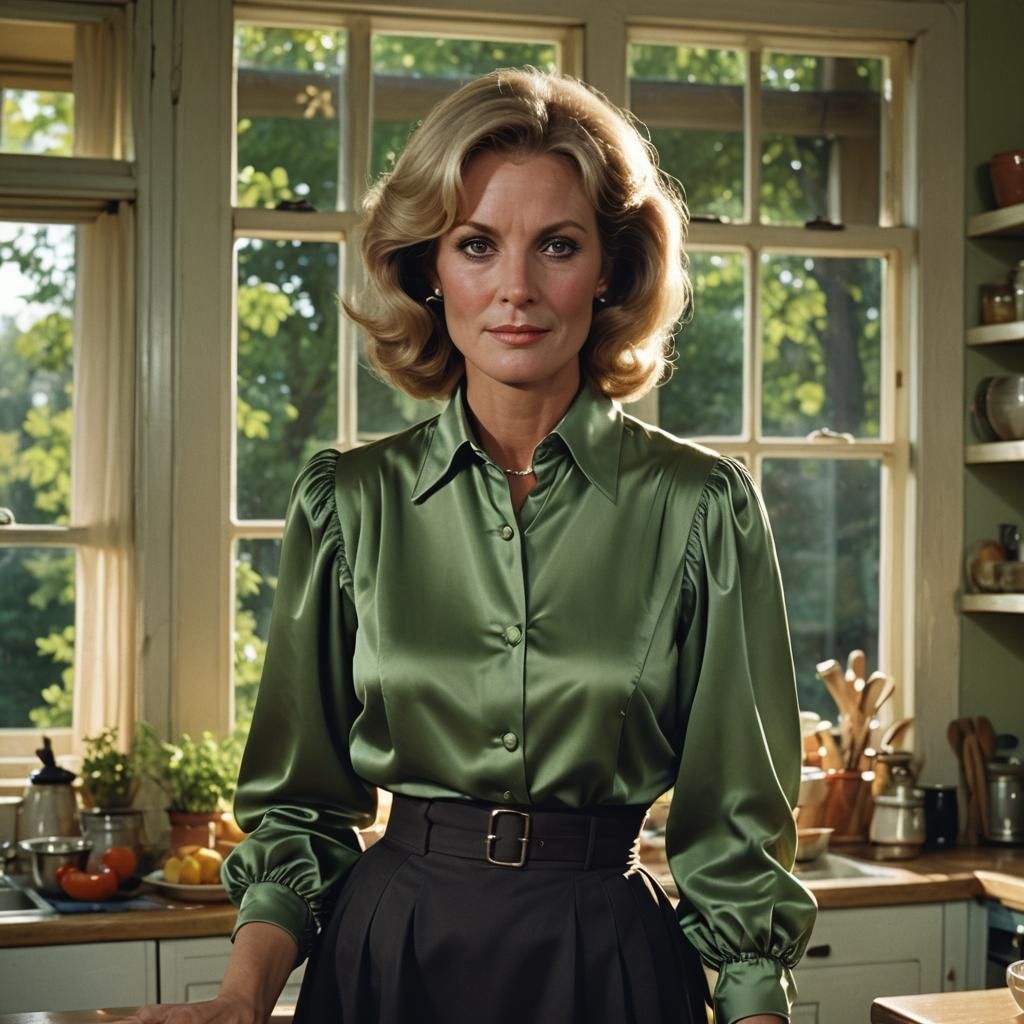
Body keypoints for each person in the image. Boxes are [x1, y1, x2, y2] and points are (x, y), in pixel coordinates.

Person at [131, 67, 817, 1024]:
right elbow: (303, 808)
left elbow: (738, 832)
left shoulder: (702, 509)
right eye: (478, 245)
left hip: (608, 963)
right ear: (430, 267)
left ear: (610, 268)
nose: (517, 290)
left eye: (558, 246)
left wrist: (755, 1010)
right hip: (390, 958)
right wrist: (244, 997)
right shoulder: (347, 503)